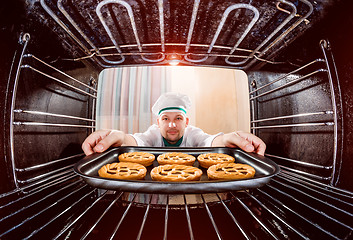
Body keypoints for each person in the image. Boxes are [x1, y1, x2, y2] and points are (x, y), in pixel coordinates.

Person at [82, 92, 266, 156]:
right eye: (165, 119)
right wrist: (120, 137)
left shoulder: (192, 133)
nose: (171, 125)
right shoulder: (153, 134)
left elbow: (209, 141)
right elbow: (138, 141)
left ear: (186, 122)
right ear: (158, 122)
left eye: (178, 118)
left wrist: (227, 139)